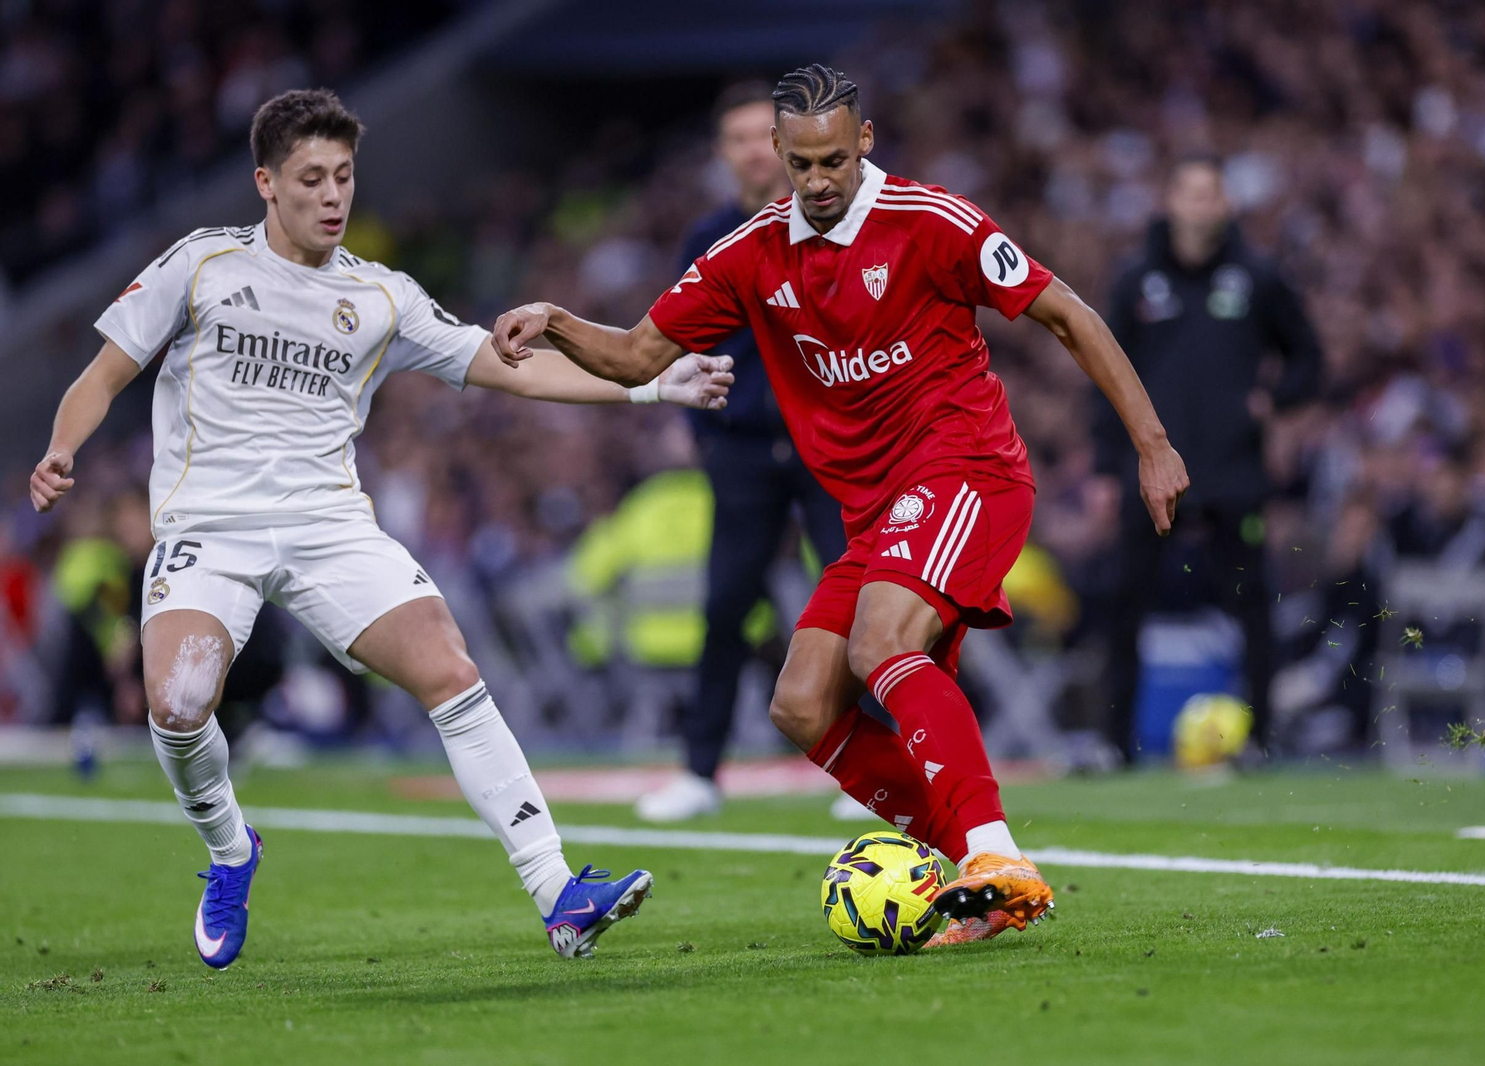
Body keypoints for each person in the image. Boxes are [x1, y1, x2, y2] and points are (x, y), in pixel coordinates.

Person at [28, 88, 735, 966]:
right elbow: (103, 376)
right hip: (211, 527)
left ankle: (557, 889)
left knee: (449, 667)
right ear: (265, 183)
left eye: (345, 177)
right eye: (312, 178)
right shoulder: (202, 266)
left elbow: (507, 370)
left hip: (328, 526)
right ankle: (230, 851)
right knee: (176, 707)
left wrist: (650, 385)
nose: (333, 196)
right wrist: (62, 451)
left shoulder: (382, 297)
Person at [491, 65, 1188, 946]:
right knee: (803, 703)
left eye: (833, 160)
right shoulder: (751, 252)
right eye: (801, 164)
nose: (818, 181)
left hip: (967, 471)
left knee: (880, 643)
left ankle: (995, 853)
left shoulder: (932, 223)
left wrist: (1152, 444)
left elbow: (1069, 314)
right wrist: (554, 317)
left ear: (864, 142)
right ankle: (977, 869)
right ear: (775, 154)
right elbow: (635, 356)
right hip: (875, 508)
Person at [635, 83, 847, 823]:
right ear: (725, 154)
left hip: (832, 447)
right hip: (745, 451)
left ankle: (880, 759)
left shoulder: (835, 225)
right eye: (741, 139)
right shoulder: (708, 238)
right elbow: (679, 344)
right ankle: (700, 770)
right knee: (726, 605)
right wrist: (707, 437)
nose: (757, 150)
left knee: (860, 599)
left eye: (766, 135)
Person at [1096, 155, 1322, 761]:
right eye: (1189, 193)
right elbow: (1101, 373)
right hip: (1149, 473)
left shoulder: (1257, 278)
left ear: (1226, 204)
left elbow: (1308, 357)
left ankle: (1265, 738)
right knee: (1125, 602)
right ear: (1170, 201)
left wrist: (1274, 400)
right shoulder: (1135, 279)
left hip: (1231, 472)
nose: (1200, 205)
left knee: (1251, 604)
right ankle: (1115, 743)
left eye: (1211, 194)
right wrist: (1102, 468)